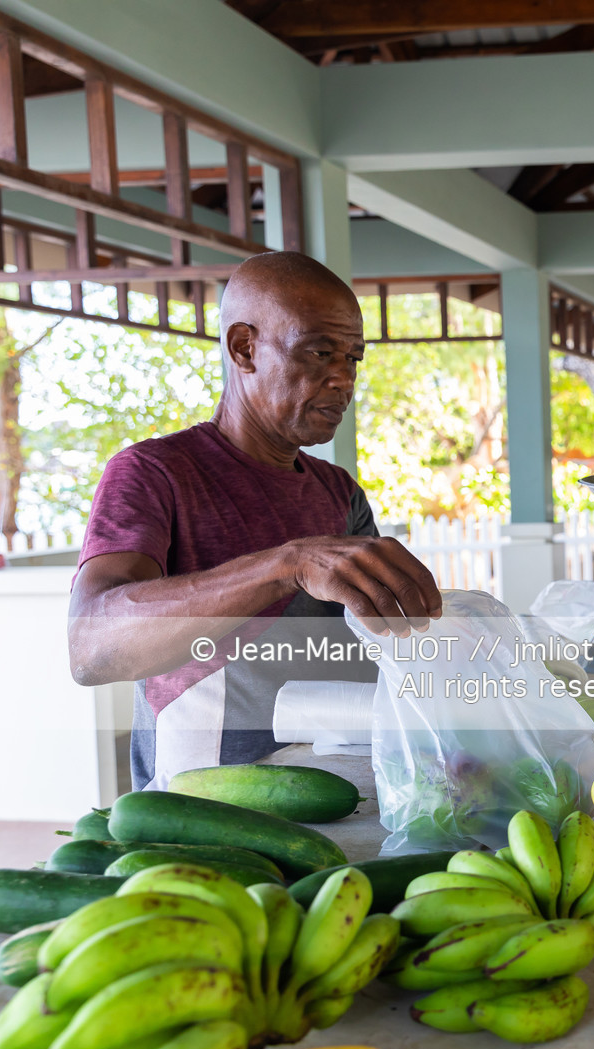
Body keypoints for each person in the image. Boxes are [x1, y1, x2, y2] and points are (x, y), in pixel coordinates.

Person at [68, 251, 443, 790]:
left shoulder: (338, 492)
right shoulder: (155, 473)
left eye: (353, 359)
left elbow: (372, 646)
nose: (343, 379)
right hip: (203, 802)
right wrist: (284, 565)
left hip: (337, 787)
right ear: (244, 347)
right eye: (319, 352)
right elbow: (91, 649)